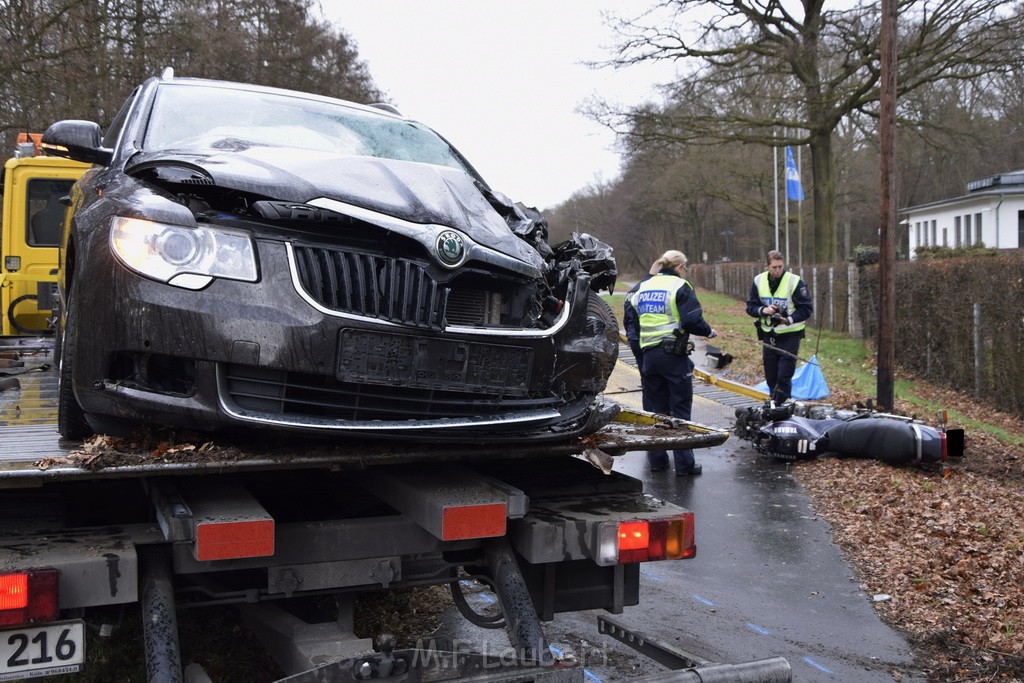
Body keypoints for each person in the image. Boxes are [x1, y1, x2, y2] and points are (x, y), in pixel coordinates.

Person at [625, 250, 717, 475]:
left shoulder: (643, 287)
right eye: (685, 268)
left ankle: (658, 461)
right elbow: (691, 319)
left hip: (649, 357)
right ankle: (685, 465)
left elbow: (632, 319)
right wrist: (709, 332)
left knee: (657, 410)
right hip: (673, 357)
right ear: (680, 267)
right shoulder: (679, 286)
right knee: (680, 409)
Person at [746, 250, 813, 404]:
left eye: (780, 267)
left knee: (784, 376)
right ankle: (773, 405)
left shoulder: (795, 281)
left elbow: (806, 309)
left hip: (790, 335)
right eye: (774, 267)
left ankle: (782, 405)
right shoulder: (758, 280)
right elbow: (750, 307)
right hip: (768, 335)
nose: (777, 270)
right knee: (771, 375)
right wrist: (763, 311)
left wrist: (788, 319)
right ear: (767, 266)